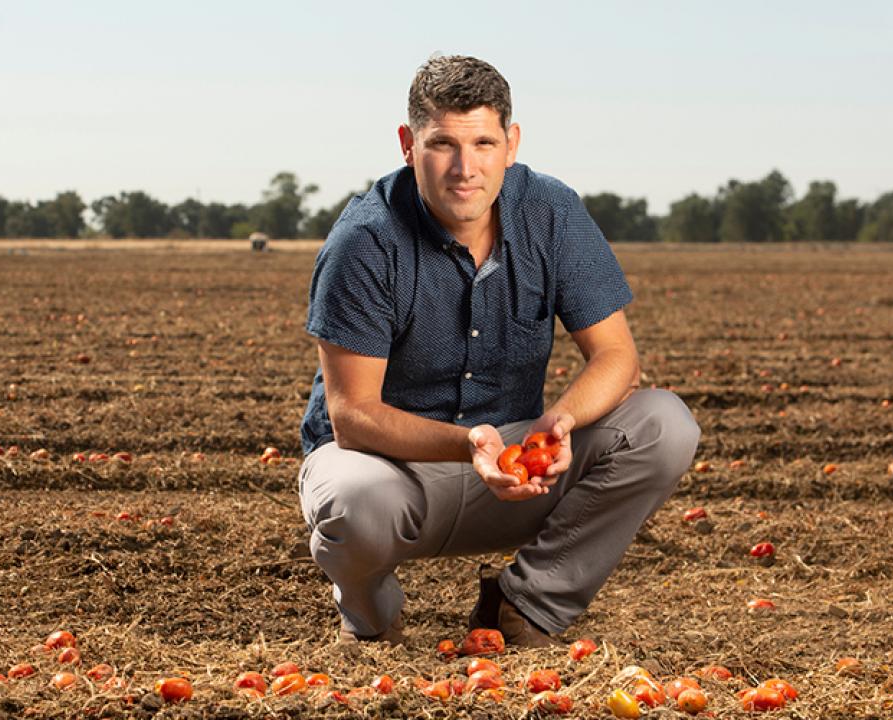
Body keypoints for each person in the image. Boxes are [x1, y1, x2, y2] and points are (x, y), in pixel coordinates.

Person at [297, 54, 700, 648]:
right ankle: (371, 619)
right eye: (443, 144)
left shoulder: (551, 212)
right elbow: (353, 417)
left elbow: (617, 356)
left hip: (513, 468)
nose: (465, 168)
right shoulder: (365, 240)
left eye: (483, 142)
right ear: (408, 145)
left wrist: (558, 425)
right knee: (351, 500)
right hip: (392, 472)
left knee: (664, 424)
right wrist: (468, 445)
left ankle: (526, 607)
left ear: (511, 144)